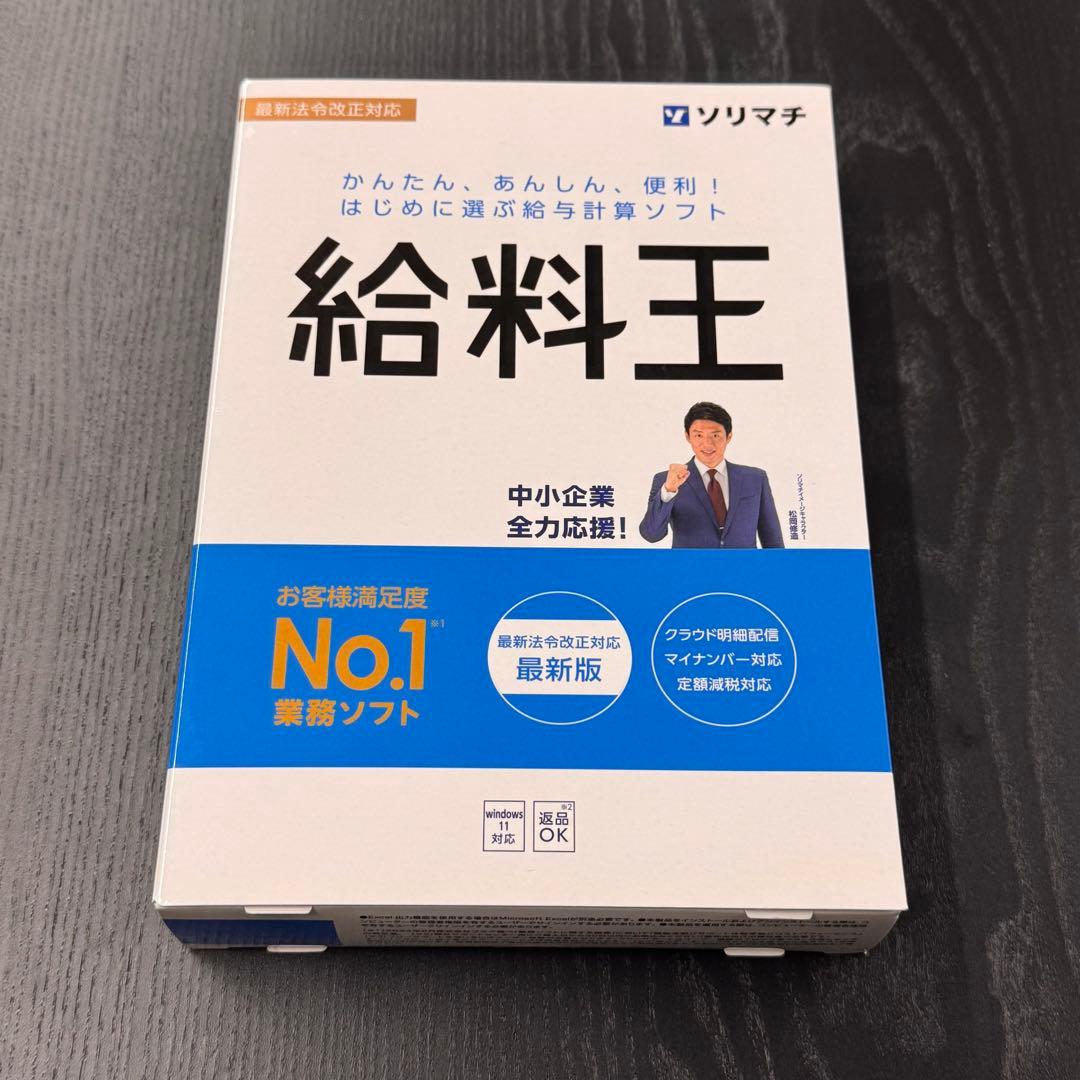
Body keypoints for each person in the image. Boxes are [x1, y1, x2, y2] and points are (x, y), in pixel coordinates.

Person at [639, 402, 784, 549]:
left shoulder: (755, 479)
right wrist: (668, 491)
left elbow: (773, 540)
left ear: (728, 436)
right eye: (699, 435)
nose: (707, 443)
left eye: (715, 435)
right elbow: (652, 535)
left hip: (743, 564)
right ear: (688, 437)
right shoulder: (667, 480)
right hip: (691, 564)